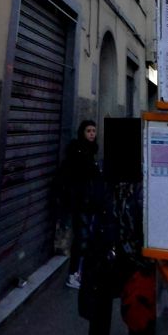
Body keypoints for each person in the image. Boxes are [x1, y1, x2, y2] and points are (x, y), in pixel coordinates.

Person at [77, 167, 156, 335]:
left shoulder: (141, 179)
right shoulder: (101, 177)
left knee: (139, 332)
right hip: (103, 263)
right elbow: (87, 216)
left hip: (132, 265)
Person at [56, 120, 100, 289]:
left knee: (85, 238)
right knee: (81, 239)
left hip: (87, 202)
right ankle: (73, 274)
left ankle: (79, 273)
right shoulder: (78, 152)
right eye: (88, 130)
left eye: (94, 131)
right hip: (80, 202)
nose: (91, 134)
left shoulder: (91, 151)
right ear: (82, 132)